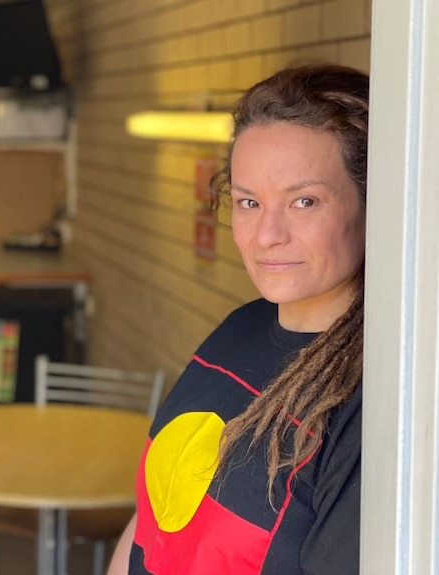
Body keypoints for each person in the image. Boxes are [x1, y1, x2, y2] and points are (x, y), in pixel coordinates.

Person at [107, 64, 368, 575]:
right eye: (249, 202)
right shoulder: (238, 330)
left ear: (372, 205)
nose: (267, 234)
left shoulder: (363, 403)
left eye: (304, 201)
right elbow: (149, 523)